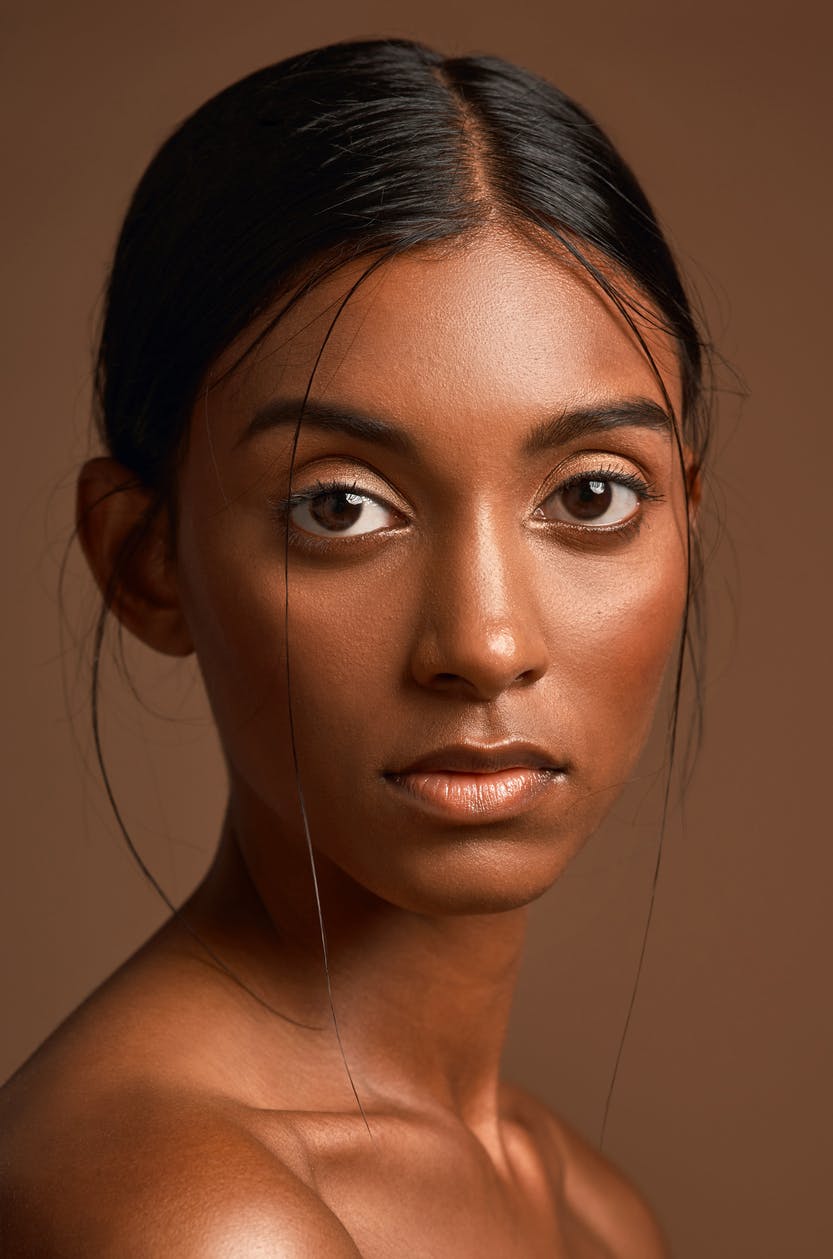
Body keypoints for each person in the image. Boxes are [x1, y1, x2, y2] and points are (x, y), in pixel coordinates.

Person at [0, 37, 708, 1256]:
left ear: (685, 515)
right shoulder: (190, 1218)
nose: (483, 643)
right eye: (339, 504)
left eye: (590, 496)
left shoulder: (590, 1208)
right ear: (142, 559)